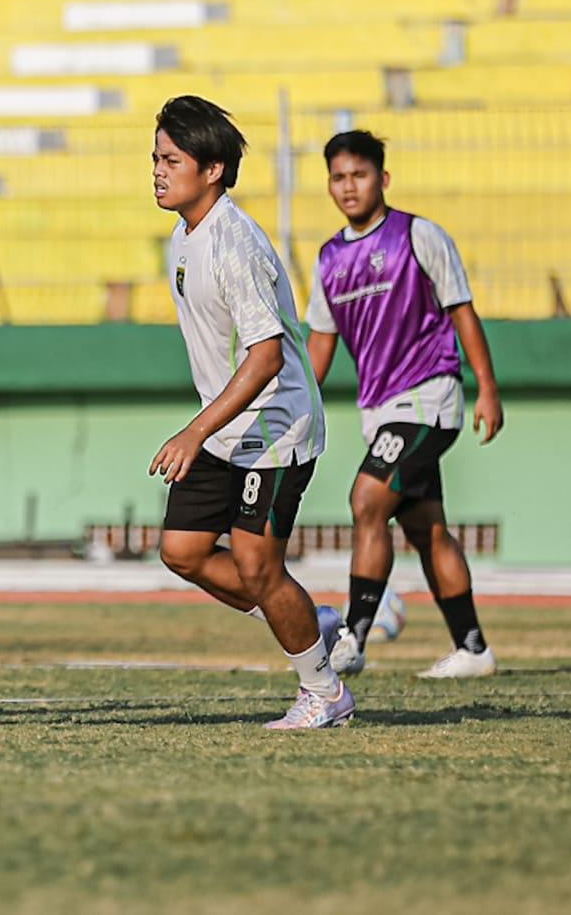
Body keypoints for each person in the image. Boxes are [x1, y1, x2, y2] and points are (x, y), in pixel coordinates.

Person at [149, 95, 353, 729]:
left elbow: (265, 358)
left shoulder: (235, 244)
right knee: (182, 551)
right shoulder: (183, 237)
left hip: (274, 427)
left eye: (170, 159)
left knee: (257, 564)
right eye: (154, 158)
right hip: (226, 426)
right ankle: (306, 622)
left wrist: (193, 430)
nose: (157, 170)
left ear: (211, 169)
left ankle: (325, 692)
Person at [305, 130, 502, 679]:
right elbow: (320, 344)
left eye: (360, 175)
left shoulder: (419, 235)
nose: (349, 186)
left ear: (382, 179)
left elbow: (462, 312)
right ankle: (473, 649)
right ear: (329, 184)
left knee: (367, 499)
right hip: (382, 412)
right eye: (339, 177)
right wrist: (298, 405)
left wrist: (486, 387)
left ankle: (353, 637)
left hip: (428, 397)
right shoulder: (327, 259)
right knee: (427, 529)